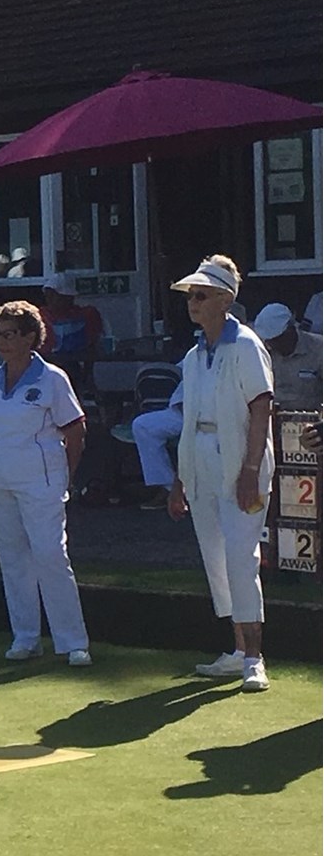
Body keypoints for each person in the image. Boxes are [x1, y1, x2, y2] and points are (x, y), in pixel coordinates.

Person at [168, 256, 274, 691]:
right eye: (191, 295)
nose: (193, 301)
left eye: (201, 294)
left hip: (239, 462)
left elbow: (261, 405)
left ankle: (255, 658)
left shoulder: (247, 345)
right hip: (201, 463)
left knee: (239, 557)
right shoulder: (194, 355)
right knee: (215, 559)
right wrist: (180, 480)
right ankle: (236, 650)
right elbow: (189, 418)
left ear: (225, 299)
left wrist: (250, 469)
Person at [0, 300, 91, 665]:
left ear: (30, 338)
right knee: (13, 558)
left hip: (41, 480)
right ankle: (25, 637)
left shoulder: (52, 379)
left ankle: (73, 642)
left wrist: (65, 477)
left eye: (10, 334)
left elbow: (75, 430)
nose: (2, 341)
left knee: (51, 554)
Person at [252, 303, 322, 410]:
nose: (272, 345)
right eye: (269, 341)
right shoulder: (262, 352)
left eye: (277, 339)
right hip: (270, 419)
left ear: (290, 329)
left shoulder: (319, 349)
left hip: (312, 421)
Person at [128, 384, 184, 510]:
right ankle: (169, 487)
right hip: (179, 410)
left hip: (210, 413)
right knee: (142, 425)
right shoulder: (189, 363)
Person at [38, 273, 104, 376]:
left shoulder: (86, 315)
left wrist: (88, 377)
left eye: (54, 295)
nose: (49, 299)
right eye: (48, 295)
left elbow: (92, 348)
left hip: (73, 367)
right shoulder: (39, 317)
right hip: (45, 369)